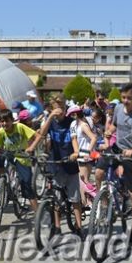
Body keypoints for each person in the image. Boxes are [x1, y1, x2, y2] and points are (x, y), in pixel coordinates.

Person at [95, 82, 132, 242]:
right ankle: (104, 204)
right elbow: (115, 126)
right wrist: (108, 133)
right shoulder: (118, 109)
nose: (125, 101)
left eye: (129, 98)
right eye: (123, 97)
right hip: (118, 148)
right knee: (98, 173)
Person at [30, 96, 83, 233]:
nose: (59, 111)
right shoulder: (50, 122)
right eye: (56, 108)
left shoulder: (71, 122)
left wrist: (76, 152)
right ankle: (58, 226)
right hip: (56, 163)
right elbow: (42, 134)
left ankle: (79, 226)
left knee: (74, 198)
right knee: (56, 199)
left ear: (66, 108)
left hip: (70, 162)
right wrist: (50, 117)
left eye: (62, 108)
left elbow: (73, 138)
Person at [0, 109, 39, 212]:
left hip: (22, 156)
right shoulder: (0, 132)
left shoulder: (20, 127)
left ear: (12, 120)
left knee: (27, 185)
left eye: (7, 121)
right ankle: (2, 181)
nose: (4, 123)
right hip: (9, 154)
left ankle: (38, 214)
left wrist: (31, 147)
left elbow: (38, 136)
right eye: (2, 121)